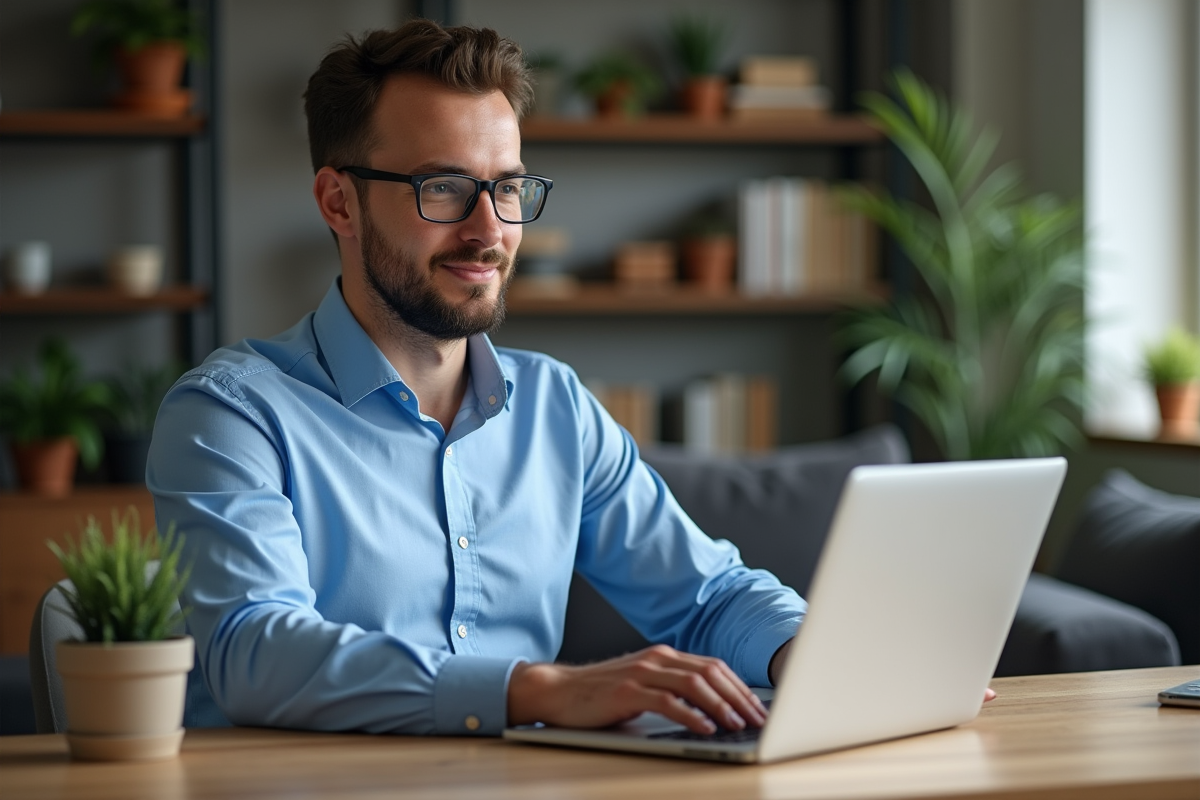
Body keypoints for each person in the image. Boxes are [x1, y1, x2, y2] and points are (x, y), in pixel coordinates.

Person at [149, 19, 808, 738]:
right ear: (339, 202)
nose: (488, 230)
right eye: (445, 187)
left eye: (508, 189)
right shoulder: (231, 415)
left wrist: (810, 654)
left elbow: (707, 598)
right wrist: (537, 691)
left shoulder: (557, 407)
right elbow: (255, 652)